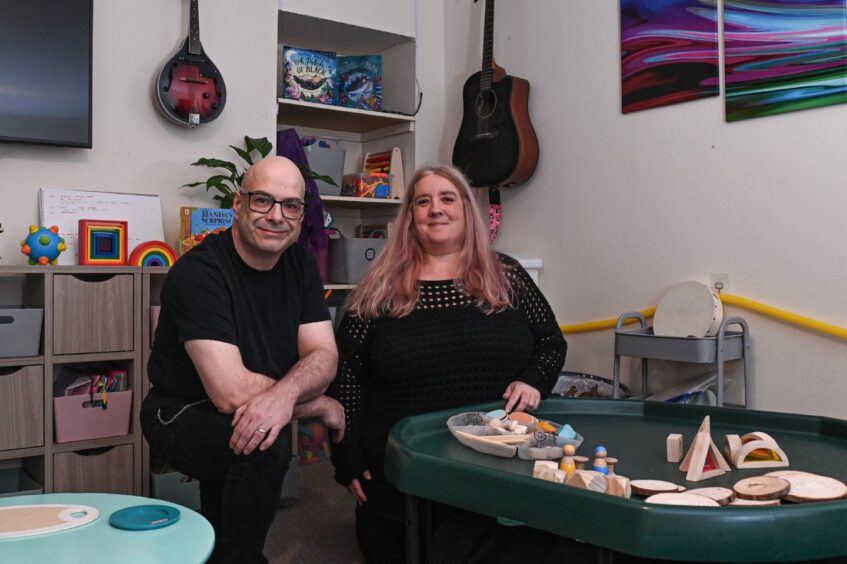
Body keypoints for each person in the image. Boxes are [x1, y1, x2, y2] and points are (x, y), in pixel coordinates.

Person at [328, 164, 567, 563]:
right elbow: (347, 375)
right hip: (402, 472)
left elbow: (550, 342)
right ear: (410, 218)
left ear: (466, 211)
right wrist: (346, 457)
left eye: (447, 198)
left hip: (495, 469)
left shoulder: (506, 275)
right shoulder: (379, 286)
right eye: (423, 201)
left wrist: (534, 380)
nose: (435, 209)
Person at [141, 156, 344, 564]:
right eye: (263, 201)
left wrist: (286, 395)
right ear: (238, 204)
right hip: (181, 410)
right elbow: (230, 393)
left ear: (302, 215)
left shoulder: (300, 264)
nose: (276, 216)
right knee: (261, 444)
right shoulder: (197, 274)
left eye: (291, 205)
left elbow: (324, 356)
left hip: (253, 402)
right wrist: (314, 403)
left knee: (254, 437)